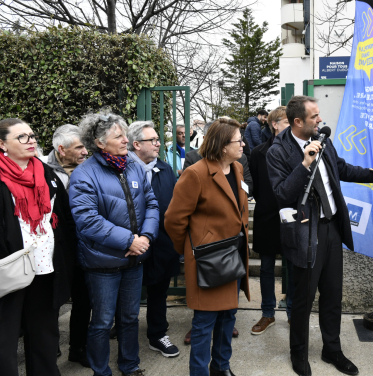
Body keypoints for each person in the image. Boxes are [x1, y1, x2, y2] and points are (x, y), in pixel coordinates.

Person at [266, 95, 373, 376]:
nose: (320, 120)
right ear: (298, 122)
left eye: (318, 115)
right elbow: (283, 193)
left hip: (332, 228)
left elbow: (341, 168)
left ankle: (332, 349)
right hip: (306, 232)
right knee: (304, 299)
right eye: (314, 117)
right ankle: (299, 354)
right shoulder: (278, 152)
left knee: (333, 296)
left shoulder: (324, 140)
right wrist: (305, 163)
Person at [0, 118, 77, 375]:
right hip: (7, 269)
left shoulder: (45, 172)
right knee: (2, 339)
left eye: (32, 135)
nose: (31, 140)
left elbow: (63, 219)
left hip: (44, 266)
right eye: (22, 137)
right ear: (1, 144)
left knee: (45, 336)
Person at [69, 111, 159, 376]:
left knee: (130, 318)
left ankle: (129, 366)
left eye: (124, 134)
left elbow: (152, 203)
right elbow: (88, 221)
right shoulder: (84, 174)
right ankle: (102, 371)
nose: (124, 140)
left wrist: (146, 238)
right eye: (117, 136)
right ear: (99, 142)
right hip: (102, 263)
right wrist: (130, 240)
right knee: (102, 322)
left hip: (134, 260)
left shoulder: (133, 164)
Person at [164, 118, 251, 376]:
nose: (243, 144)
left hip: (233, 257)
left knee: (228, 318)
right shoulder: (196, 173)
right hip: (208, 262)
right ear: (223, 145)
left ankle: (221, 367)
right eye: (238, 140)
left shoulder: (236, 169)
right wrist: (191, 250)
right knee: (204, 323)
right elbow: (173, 219)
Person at [127, 121, 180, 358]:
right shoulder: (121, 168)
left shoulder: (165, 169)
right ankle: (123, 330)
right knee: (126, 292)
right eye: (153, 140)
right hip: (130, 244)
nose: (159, 144)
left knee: (158, 291)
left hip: (162, 244)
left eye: (158, 139)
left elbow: (172, 204)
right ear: (136, 144)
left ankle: (158, 334)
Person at [45, 124, 91, 368]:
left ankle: (78, 348)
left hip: (83, 244)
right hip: (54, 248)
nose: (86, 152)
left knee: (83, 300)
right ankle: (49, 348)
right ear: (61, 150)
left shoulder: (89, 169)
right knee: (52, 300)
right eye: (80, 147)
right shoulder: (41, 169)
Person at [249, 107, 295, 335]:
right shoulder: (258, 152)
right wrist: (269, 204)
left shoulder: (300, 149)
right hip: (267, 217)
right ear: (275, 124)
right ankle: (268, 313)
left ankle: (293, 313)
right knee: (266, 267)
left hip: (294, 217)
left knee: (294, 266)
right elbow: (255, 185)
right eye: (287, 121)